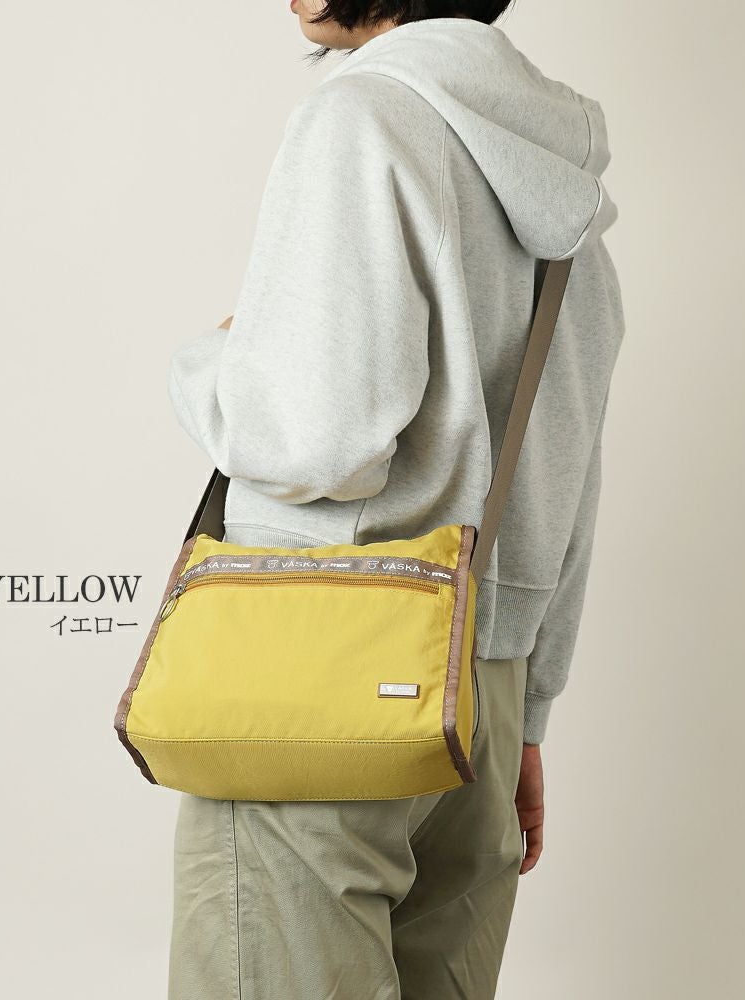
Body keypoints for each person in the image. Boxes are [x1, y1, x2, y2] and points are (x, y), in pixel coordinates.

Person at [162, 3, 624, 997]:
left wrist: (207, 361)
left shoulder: (361, 120)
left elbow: (314, 440)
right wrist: (526, 714)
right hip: (480, 700)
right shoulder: (565, 191)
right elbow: (568, 471)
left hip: (324, 674)